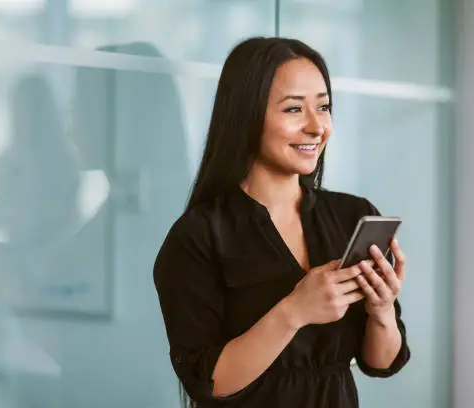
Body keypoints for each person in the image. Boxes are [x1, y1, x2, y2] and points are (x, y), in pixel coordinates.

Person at [153, 37, 410, 408]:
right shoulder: (198, 236)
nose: (316, 126)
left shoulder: (352, 215)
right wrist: (295, 311)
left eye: (323, 107)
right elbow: (207, 382)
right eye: (293, 110)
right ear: (246, 114)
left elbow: (381, 362)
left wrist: (382, 309)